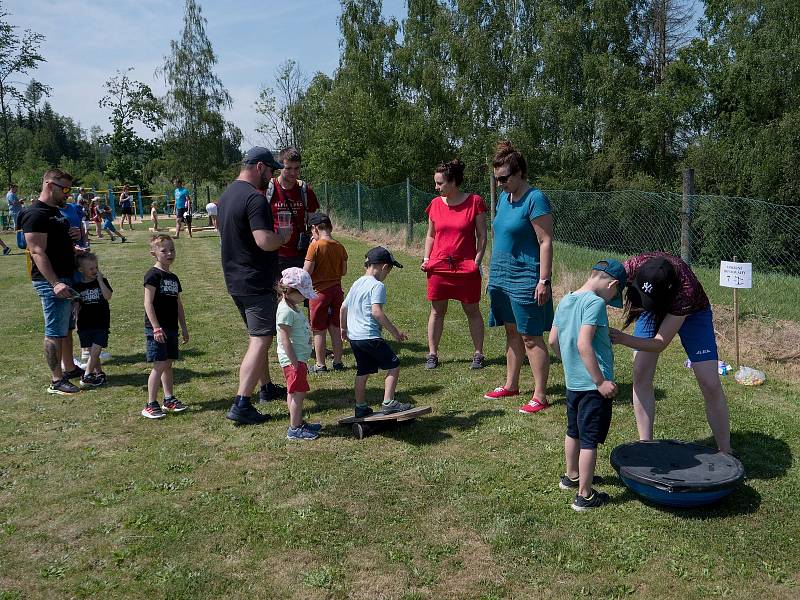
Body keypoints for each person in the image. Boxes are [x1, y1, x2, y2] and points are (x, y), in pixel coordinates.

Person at [609, 252, 732, 454]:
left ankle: (726, 451)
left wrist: (623, 338)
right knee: (640, 374)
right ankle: (645, 445)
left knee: (709, 383)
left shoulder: (686, 291)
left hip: (693, 313)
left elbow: (659, 343)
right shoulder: (633, 266)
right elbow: (599, 282)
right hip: (656, 304)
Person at [217, 147, 290, 425]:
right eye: (271, 170)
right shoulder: (254, 199)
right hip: (255, 281)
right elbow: (264, 241)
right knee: (261, 339)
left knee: (257, 336)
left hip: (235, 279)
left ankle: (266, 387)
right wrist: (281, 237)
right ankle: (241, 403)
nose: (272, 177)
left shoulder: (227, 196)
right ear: (259, 167)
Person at [484, 141, 555, 414]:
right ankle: (511, 385)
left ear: (519, 174)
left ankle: (540, 395)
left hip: (526, 277)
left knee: (530, 336)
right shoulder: (505, 198)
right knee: (511, 331)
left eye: (504, 178)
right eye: (496, 178)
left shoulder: (535, 199)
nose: (499, 183)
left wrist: (544, 280)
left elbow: (545, 241)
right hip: (502, 276)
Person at [549, 259, 626, 511]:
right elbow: (584, 343)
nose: (610, 299)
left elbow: (552, 341)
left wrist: (570, 365)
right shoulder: (595, 303)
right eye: (614, 294)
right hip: (593, 387)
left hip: (573, 383)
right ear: (612, 284)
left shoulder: (566, 300)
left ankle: (572, 476)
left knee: (574, 431)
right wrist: (601, 381)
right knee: (589, 439)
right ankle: (585, 494)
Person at [19, 169, 83, 395]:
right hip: (51, 281)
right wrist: (55, 283)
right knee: (54, 330)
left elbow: (55, 244)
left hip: (65, 276)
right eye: (64, 189)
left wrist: (71, 239)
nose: (68, 194)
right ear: (49, 185)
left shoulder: (55, 213)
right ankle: (56, 380)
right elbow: (36, 251)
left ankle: (70, 368)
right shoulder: (35, 213)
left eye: (69, 189)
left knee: (66, 328)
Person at [421, 159, 488, 370]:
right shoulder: (434, 204)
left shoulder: (475, 202)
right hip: (439, 267)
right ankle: (432, 354)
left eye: (440, 183)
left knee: (472, 310)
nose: (436, 187)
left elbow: (482, 235)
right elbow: (430, 235)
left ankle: (478, 353)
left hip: (465, 268)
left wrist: (476, 261)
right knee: (437, 311)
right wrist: (426, 258)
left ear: (453, 182)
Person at [341, 246, 411, 418]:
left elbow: (343, 307)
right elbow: (376, 312)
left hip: (355, 338)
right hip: (370, 336)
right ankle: (388, 402)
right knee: (394, 365)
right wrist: (395, 332)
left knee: (363, 371)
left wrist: (343, 329)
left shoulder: (357, 283)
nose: (387, 275)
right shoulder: (377, 285)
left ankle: (360, 407)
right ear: (385, 267)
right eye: (389, 271)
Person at [142, 234, 189, 419]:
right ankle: (150, 404)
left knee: (168, 364)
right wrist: (155, 327)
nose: (169, 253)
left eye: (172, 250)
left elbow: (178, 304)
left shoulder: (173, 277)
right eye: (164, 250)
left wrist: (183, 327)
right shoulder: (152, 275)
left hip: (171, 328)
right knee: (159, 364)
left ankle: (168, 399)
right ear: (153, 253)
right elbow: (148, 303)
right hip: (157, 329)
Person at [276, 268, 323, 440]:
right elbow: (285, 339)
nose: (304, 297)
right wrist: (294, 361)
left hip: (298, 359)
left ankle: (297, 421)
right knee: (298, 393)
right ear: (290, 291)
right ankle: (294, 429)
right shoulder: (285, 311)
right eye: (302, 293)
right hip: (293, 360)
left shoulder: (292, 306)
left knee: (294, 392)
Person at [304, 212, 348, 372]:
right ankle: (337, 362)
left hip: (318, 293)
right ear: (331, 227)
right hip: (337, 292)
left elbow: (306, 272)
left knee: (318, 329)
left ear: (314, 228)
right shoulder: (340, 246)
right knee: (335, 327)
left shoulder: (314, 246)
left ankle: (320, 364)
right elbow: (344, 271)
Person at [268, 147, 319, 273]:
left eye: (297, 168)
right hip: (274, 253)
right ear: (280, 167)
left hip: (300, 253)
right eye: (288, 168)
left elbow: (314, 222)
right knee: (276, 292)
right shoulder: (268, 189)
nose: (293, 173)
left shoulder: (305, 190)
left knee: (299, 293)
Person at [73, 252, 113, 387]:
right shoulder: (78, 286)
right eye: (91, 269)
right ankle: (99, 373)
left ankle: (87, 374)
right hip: (85, 324)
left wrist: (100, 280)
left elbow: (108, 296)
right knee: (92, 352)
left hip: (100, 322)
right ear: (81, 270)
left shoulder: (102, 281)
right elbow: (76, 305)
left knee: (96, 349)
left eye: (96, 267)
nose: (95, 271)